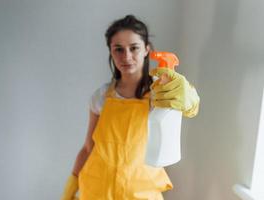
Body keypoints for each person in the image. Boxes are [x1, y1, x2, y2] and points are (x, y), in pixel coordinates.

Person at [60, 15, 200, 200]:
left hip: (140, 192)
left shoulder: (159, 94)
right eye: (118, 49)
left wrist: (189, 98)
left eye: (134, 48)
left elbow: (191, 107)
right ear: (110, 51)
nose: (126, 56)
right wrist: (72, 183)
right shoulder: (101, 97)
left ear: (146, 50)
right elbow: (88, 147)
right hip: (97, 190)